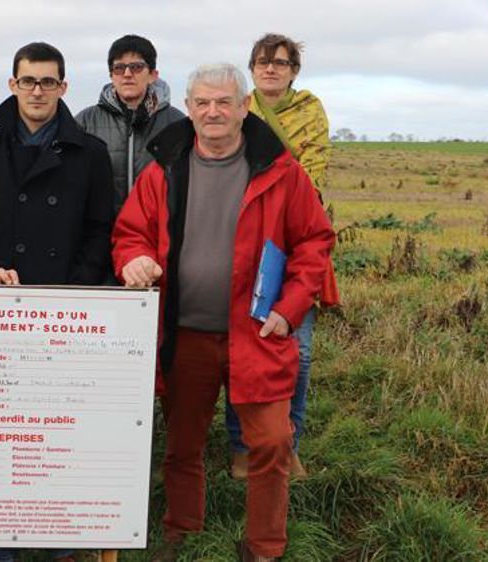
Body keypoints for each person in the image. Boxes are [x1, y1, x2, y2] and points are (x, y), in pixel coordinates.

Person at [112, 64, 334, 562]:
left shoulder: (281, 171)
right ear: (189, 109)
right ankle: (182, 530)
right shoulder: (162, 168)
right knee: (182, 443)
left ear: (243, 107)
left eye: (224, 102)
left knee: (272, 442)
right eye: (203, 103)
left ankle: (265, 546)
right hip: (185, 332)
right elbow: (130, 233)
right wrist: (133, 260)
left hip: (258, 333)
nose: (213, 112)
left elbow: (314, 242)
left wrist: (290, 309)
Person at [0, 42, 114, 562]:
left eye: (48, 82)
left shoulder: (90, 154)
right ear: (12, 84)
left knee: (59, 427)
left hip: (63, 314)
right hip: (0, 309)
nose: (37, 91)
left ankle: (61, 535)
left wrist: (72, 290)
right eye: (28, 81)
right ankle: (6, 535)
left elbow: (100, 230)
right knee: (2, 426)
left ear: (64, 87)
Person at [224, 33, 340, 480]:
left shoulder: (311, 111)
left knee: (300, 351)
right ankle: (242, 445)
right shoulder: (237, 107)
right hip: (244, 236)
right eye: (262, 62)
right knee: (243, 348)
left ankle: (288, 444)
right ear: (251, 68)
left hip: (294, 238)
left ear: (294, 70)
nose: (270, 68)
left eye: (280, 62)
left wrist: (277, 194)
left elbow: (311, 175)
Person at [75, 34, 184, 214]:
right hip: (102, 234)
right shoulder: (84, 122)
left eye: (136, 67)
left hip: (156, 233)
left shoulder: (177, 123)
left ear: (153, 75)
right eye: (119, 68)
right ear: (111, 75)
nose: (127, 74)